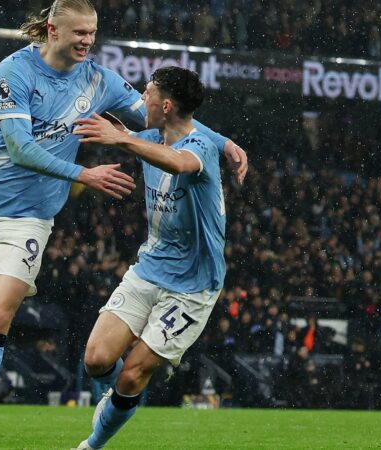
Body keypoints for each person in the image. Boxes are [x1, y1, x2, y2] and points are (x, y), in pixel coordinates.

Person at [0, 2, 248, 449]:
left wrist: (222, 141)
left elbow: (172, 118)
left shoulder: (100, 79)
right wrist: (86, 174)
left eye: (93, 32)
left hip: (32, 216)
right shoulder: (14, 72)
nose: (89, 41)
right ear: (53, 29)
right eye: (80, 33)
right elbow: (18, 148)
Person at [69, 66, 233, 449]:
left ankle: (92, 444)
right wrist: (117, 135)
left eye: (148, 94)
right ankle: (111, 401)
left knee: (132, 376)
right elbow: (141, 142)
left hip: (192, 288)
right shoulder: (151, 136)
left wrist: (122, 140)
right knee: (95, 359)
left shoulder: (199, 148)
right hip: (149, 270)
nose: (143, 99)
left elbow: (177, 163)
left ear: (167, 105)